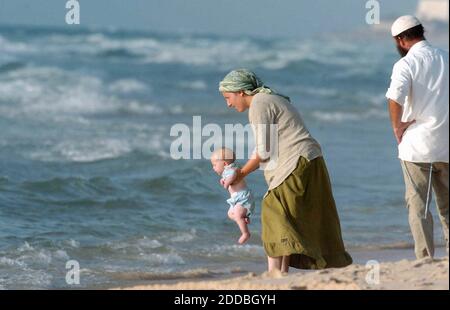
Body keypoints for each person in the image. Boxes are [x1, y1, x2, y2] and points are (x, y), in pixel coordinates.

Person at [218, 69, 352, 272]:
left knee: (273, 213)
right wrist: (243, 171)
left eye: (228, 97)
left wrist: (240, 174)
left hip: (295, 162)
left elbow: (263, 151)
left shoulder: (259, 104)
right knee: (286, 217)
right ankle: (281, 272)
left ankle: (275, 273)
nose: (228, 103)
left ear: (242, 92)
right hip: (309, 160)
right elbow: (265, 146)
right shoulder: (270, 99)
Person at [386, 16, 449, 259]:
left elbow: (394, 98)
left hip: (417, 147)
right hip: (446, 145)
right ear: (421, 32)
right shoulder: (446, 57)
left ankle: (425, 257)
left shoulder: (406, 64)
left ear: (400, 40)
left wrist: (397, 126)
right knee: (448, 207)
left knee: (418, 207)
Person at [211, 147, 255, 244]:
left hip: (243, 198)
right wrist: (223, 180)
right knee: (231, 214)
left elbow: (234, 174)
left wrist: (227, 183)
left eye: (214, 165)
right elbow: (228, 177)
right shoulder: (227, 172)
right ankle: (243, 218)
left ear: (225, 164)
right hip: (236, 199)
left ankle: (245, 233)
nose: (213, 168)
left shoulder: (232, 168)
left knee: (237, 214)